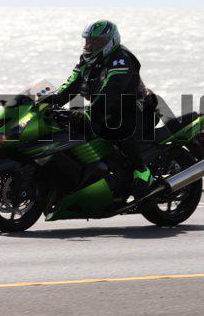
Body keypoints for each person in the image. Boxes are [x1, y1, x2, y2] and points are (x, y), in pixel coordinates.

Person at [48, 20, 159, 200]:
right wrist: (48, 101)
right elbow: (71, 85)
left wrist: (90, 112)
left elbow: (111, 90)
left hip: (138, 109)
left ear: (110, 42)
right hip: (107, 107)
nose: (90, 46)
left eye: (97, 42)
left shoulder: (121, 59)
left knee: (116, 124)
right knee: (68, 124)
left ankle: (142, 171)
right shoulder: (86, 61)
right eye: (88, 41)